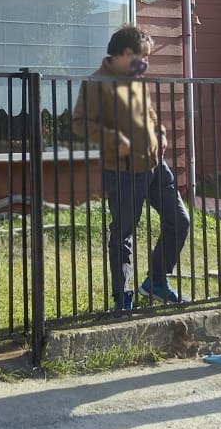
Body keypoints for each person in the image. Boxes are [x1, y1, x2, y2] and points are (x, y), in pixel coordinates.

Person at [73, 24, 190, 311]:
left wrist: (160, 132)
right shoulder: (96, 82)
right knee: (123, 233)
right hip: (122, 169)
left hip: (154, 165)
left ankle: (156, 282)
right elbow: (79, 124)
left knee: (180, 220)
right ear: (126, 54)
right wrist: (113, 140)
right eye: (143, 56)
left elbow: (148, 112)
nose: (146, 63)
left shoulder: (135, 76)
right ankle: (121, 295)